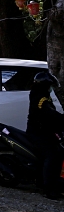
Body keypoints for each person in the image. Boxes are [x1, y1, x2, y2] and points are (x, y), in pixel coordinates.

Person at [26, 71, 64, 199]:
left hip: (45, 131)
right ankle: (49, 188)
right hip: (37, 133)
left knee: (58, 151)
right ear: (44, 85)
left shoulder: (43, 95)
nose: (51, 88)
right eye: (50, 86)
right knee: (52, 156)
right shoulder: (40, 98)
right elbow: (49, 114)